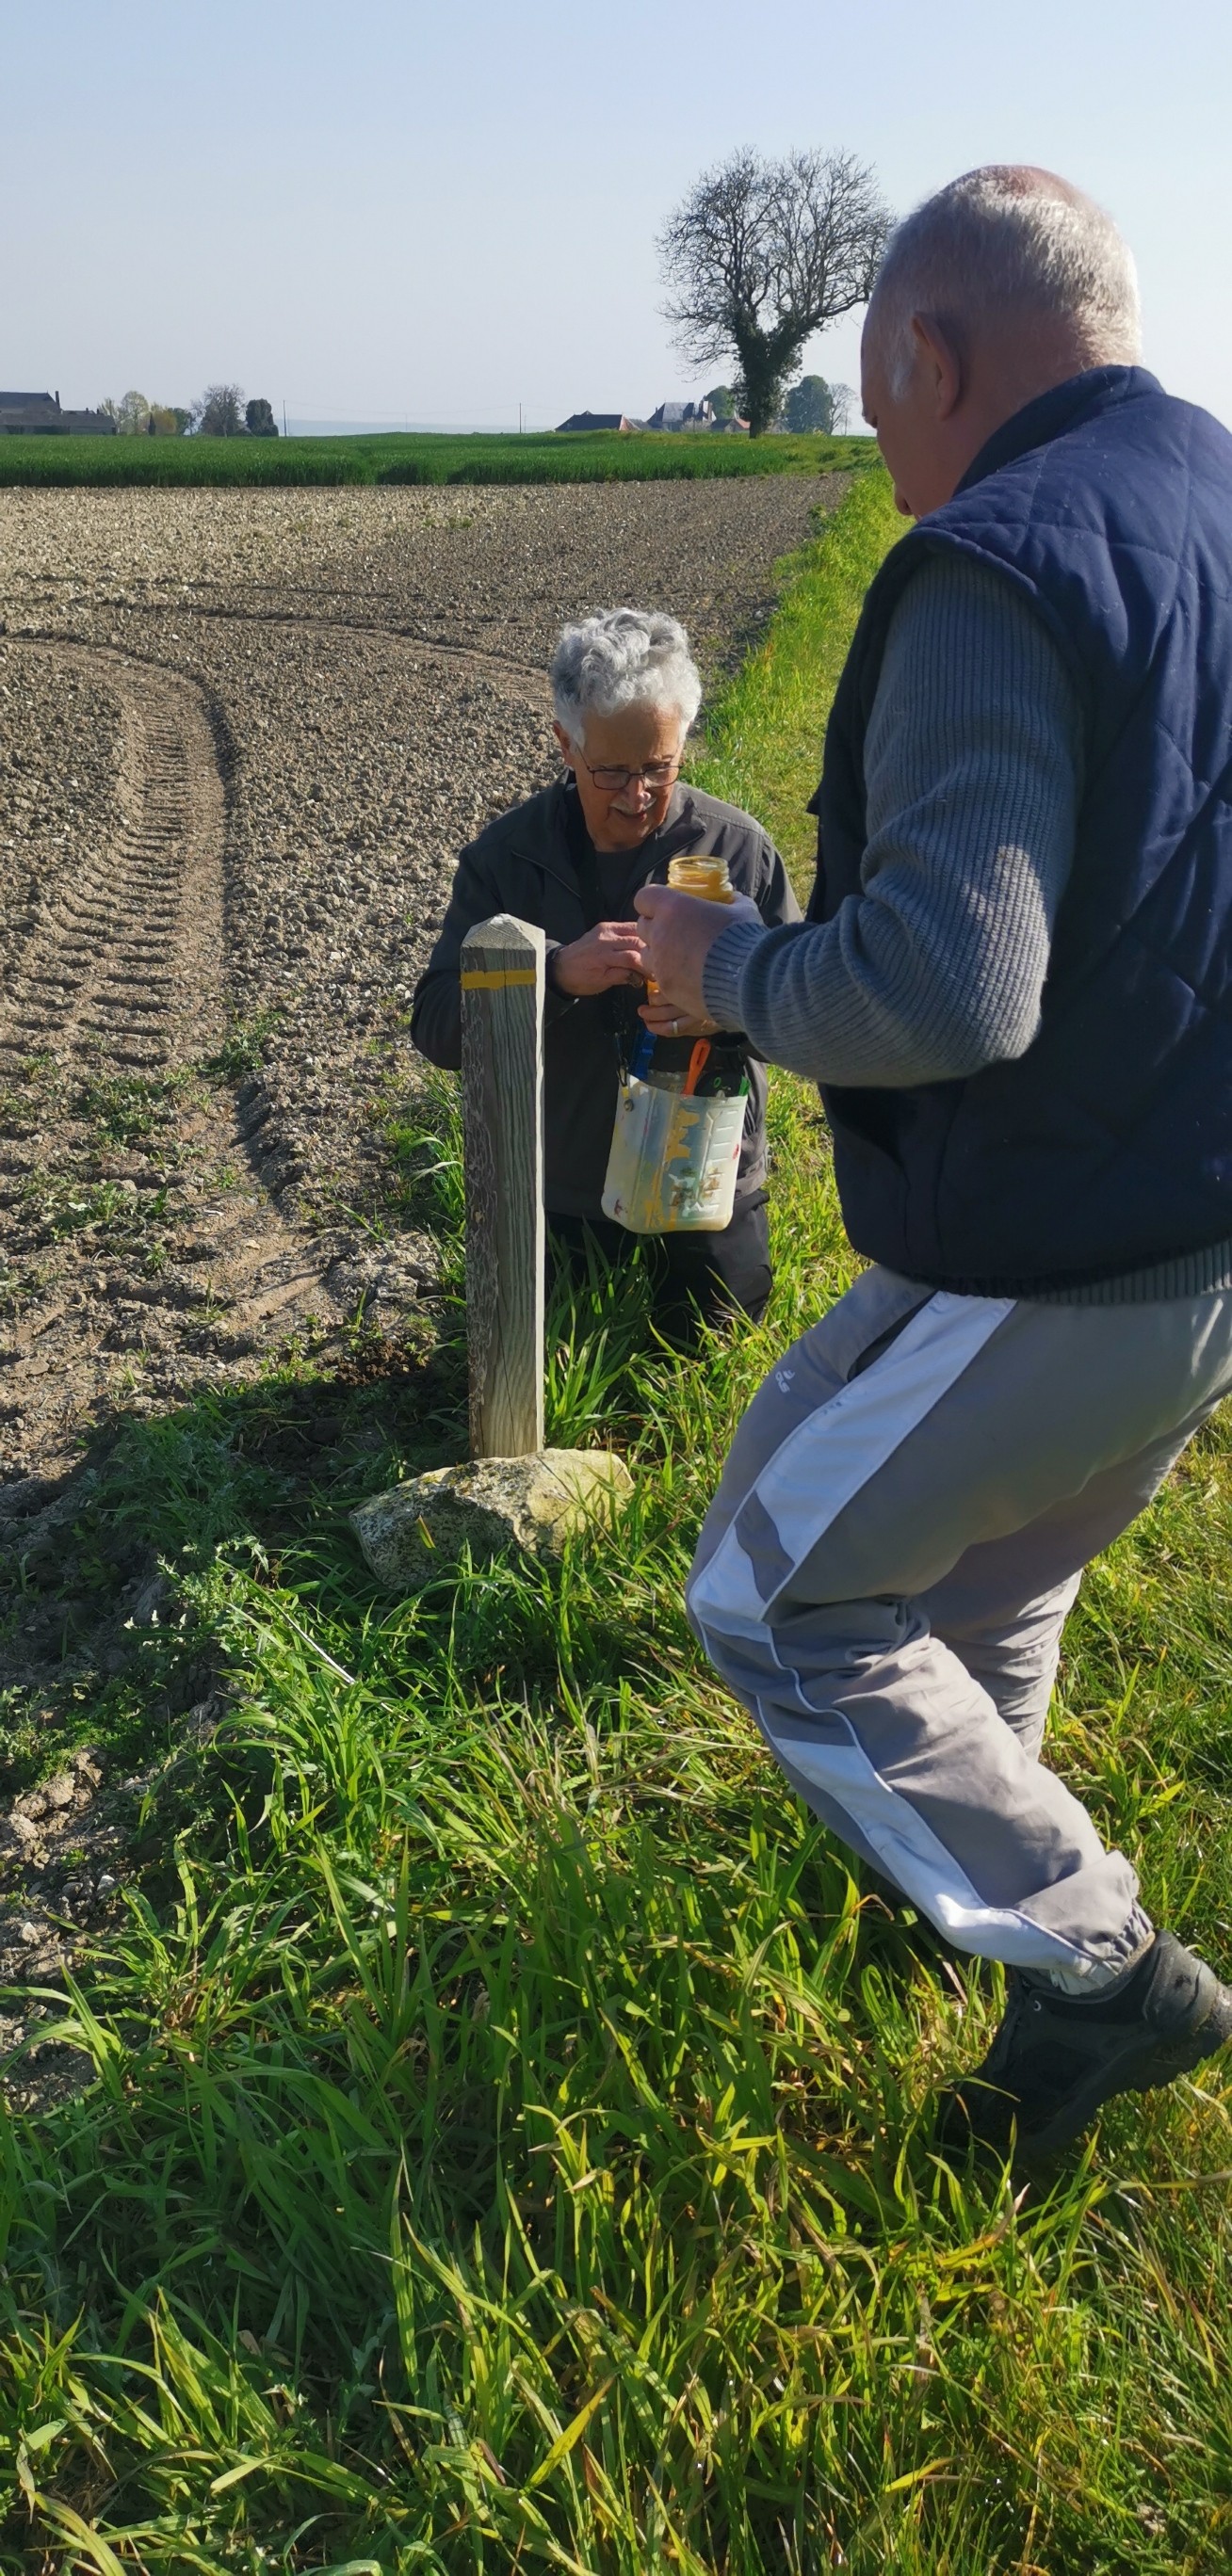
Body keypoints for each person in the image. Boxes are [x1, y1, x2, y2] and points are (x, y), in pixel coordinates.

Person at [637, 166, 1232, 2163]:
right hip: (1193, 1241)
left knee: (770, 1595)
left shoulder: (1001, 559)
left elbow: (956, 991)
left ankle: (1093, 1968)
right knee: (994, 1575)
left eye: (880, 398)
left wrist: (738, 963)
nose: (878, 441)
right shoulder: (1214, 500)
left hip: (1051, 1246)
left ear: (933, 352)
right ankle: (967, 1894)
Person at [412, 609, 800, 1339]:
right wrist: (554, 973)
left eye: (659, 767)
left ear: (683, 741)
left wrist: (730, 1004)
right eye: (612, 771)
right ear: (565, 743)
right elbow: (435, 1026)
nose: (637, 795)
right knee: (545, 1362)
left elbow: (812, 1016)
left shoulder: (739, 852)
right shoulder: (506, 860)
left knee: (711, 1362)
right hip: (562, 1191)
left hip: (704, 1183)